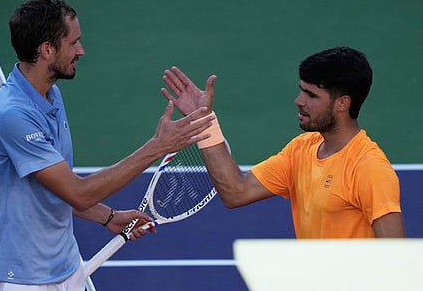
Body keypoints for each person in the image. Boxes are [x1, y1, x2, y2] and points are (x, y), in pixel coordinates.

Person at [0, 0, 214, 291]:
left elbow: (53, 189)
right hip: (19, 281)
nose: (81, 51)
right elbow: (76, 193)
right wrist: (157, 146)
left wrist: (109, 217)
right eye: (73, 43)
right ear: (47, 49)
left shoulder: (51, 96)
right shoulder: (10, 114)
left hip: (65, 268)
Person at [161, 46, 406, 238]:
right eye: (302, 90)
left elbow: (397, 261)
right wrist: (205, 121)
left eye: (311, 95)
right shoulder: (302, 149)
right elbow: (237, 192)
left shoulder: (368, 168)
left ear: (342, 103)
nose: (298, 101)